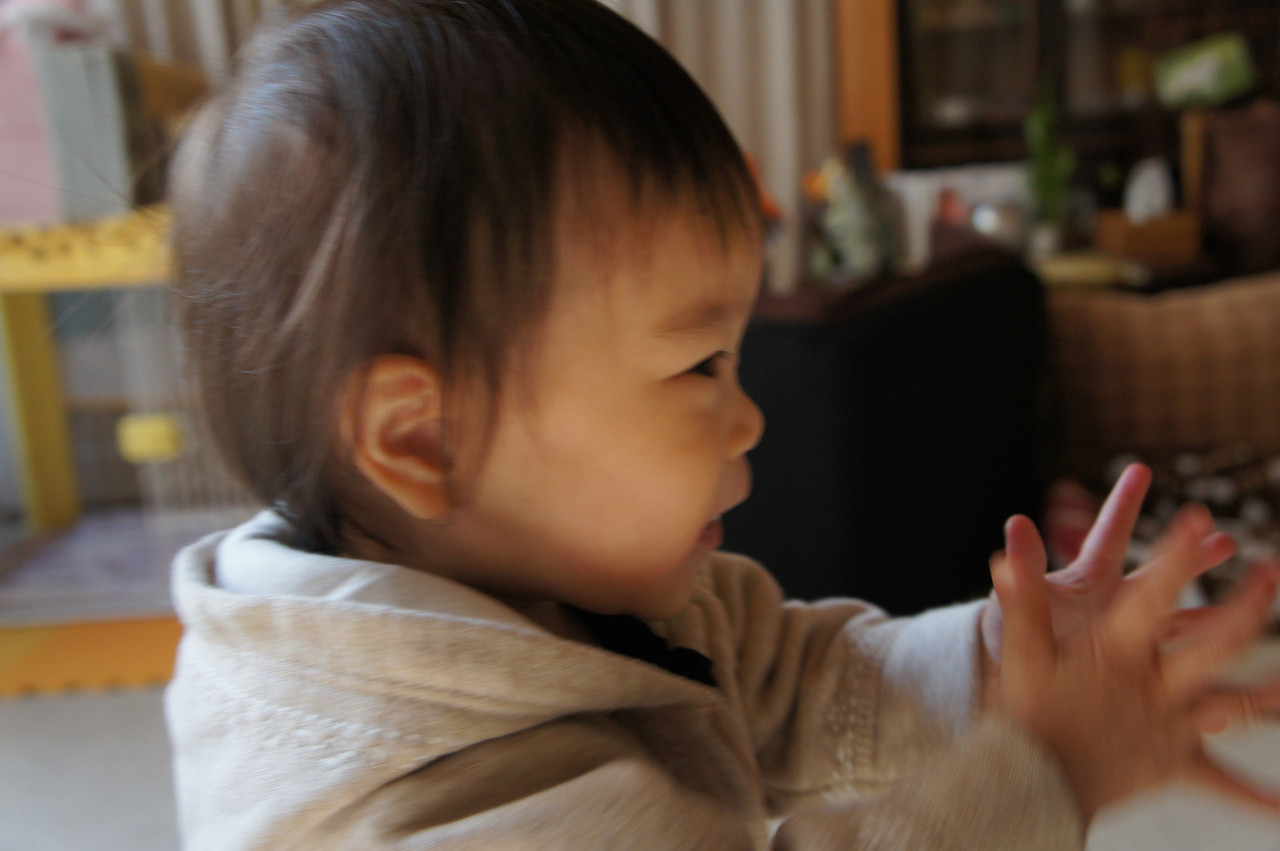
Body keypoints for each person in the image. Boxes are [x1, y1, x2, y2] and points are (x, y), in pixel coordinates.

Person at [163, 0, 1280, 848]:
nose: (747, 416)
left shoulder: (555, 575)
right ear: (420, 436)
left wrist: (997, 660)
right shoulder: (422, 798)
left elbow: (805, 680)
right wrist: (1040, 772)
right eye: (698, 363)